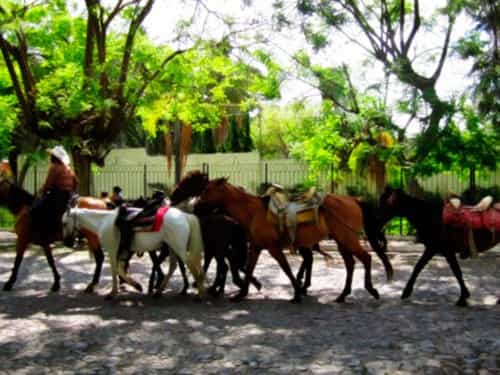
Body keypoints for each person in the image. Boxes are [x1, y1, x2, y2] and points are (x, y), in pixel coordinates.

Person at [31, 145, 78, 244]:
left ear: (54, 157)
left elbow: (48, 184)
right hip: (69, 196)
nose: (49, 157)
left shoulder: (54, 167)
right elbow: (76, 182)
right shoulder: (69, 169)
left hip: (57, 196)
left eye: (51, 155)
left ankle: (40, 235)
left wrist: (41, 193)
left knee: (36, 209)